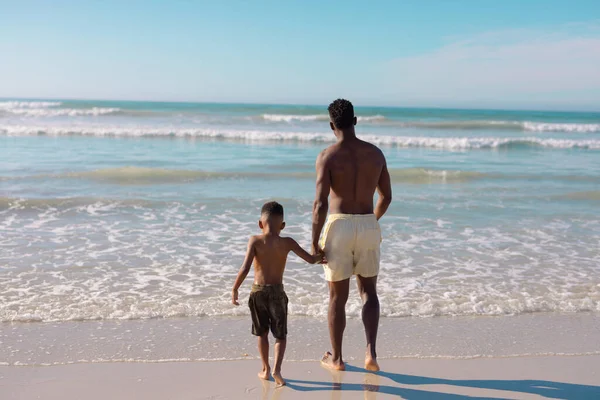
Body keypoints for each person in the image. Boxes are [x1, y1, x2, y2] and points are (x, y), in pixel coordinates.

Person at [312, 99, 392, 372]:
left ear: (331, 125)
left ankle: (336, 359)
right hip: (368, 223)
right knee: (369, 292)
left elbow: (320, 204)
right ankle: (371, 352)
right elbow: (386, 197)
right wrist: (370, 221)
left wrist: (314, 241)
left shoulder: (327, 156)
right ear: (355, 121)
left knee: (337, 297)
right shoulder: (376, 154)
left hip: (339, 225)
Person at [232, 201, 325, 386]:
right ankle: (277, 370)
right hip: (277, 293)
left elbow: (245, 267)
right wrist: (323, 256)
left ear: (260, 223)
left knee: (262, 333)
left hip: (257, 292)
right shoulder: (287, 242)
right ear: (282, 225)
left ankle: (265, 369)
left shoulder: (255, 240)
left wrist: (235, 288)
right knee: (280, 335)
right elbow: (310, 259)